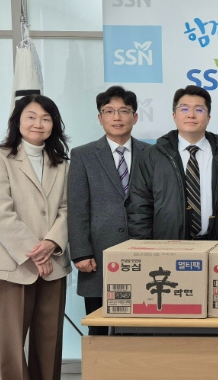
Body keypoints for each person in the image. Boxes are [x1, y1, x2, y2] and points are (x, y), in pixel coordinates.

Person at [0, 95, 71, 380]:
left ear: (53, 124)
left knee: (49, 342)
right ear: (17, 121)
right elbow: (0, 212)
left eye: (46, 118)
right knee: (11, 344)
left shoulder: (62, 163)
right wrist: (36, 252)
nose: (38, 124)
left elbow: (69, 209)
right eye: (31, 117)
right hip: (10, 264)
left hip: (53, 265)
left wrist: (52, 243)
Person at [68, 86, 149, 335]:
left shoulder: (152, 154)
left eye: (124, 111)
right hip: (98, 257)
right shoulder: (83, 155)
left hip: (143, 253)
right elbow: (77, 207)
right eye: (109, 111)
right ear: (100, 117)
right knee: (100, 331)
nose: (117, 117)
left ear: (135, 117)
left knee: (142, 328)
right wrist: (81, 252)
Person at [128, 85, 218, 240]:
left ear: (208, 118)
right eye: (184, 109)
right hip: (169, 243)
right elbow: (140, 206)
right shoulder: (152, 156)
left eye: (199, 110)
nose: (191, 115)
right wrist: (144, 246)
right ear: (174, 116)